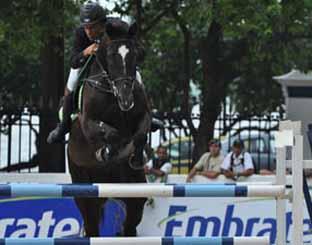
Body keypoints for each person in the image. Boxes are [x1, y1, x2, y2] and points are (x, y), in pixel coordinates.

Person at [47, 1, 145, 144]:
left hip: (115, 65)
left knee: (136, 77)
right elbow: (73, 61)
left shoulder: (117, 27)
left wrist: (129, 52)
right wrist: (86, 52)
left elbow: (140, 50)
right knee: (72, 83)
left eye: (93, 27)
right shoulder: (80, 33)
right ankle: (63, 126)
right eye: (86, 27)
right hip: (88, 64)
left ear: (102, 23)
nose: (89, 32)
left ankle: (146, 114)